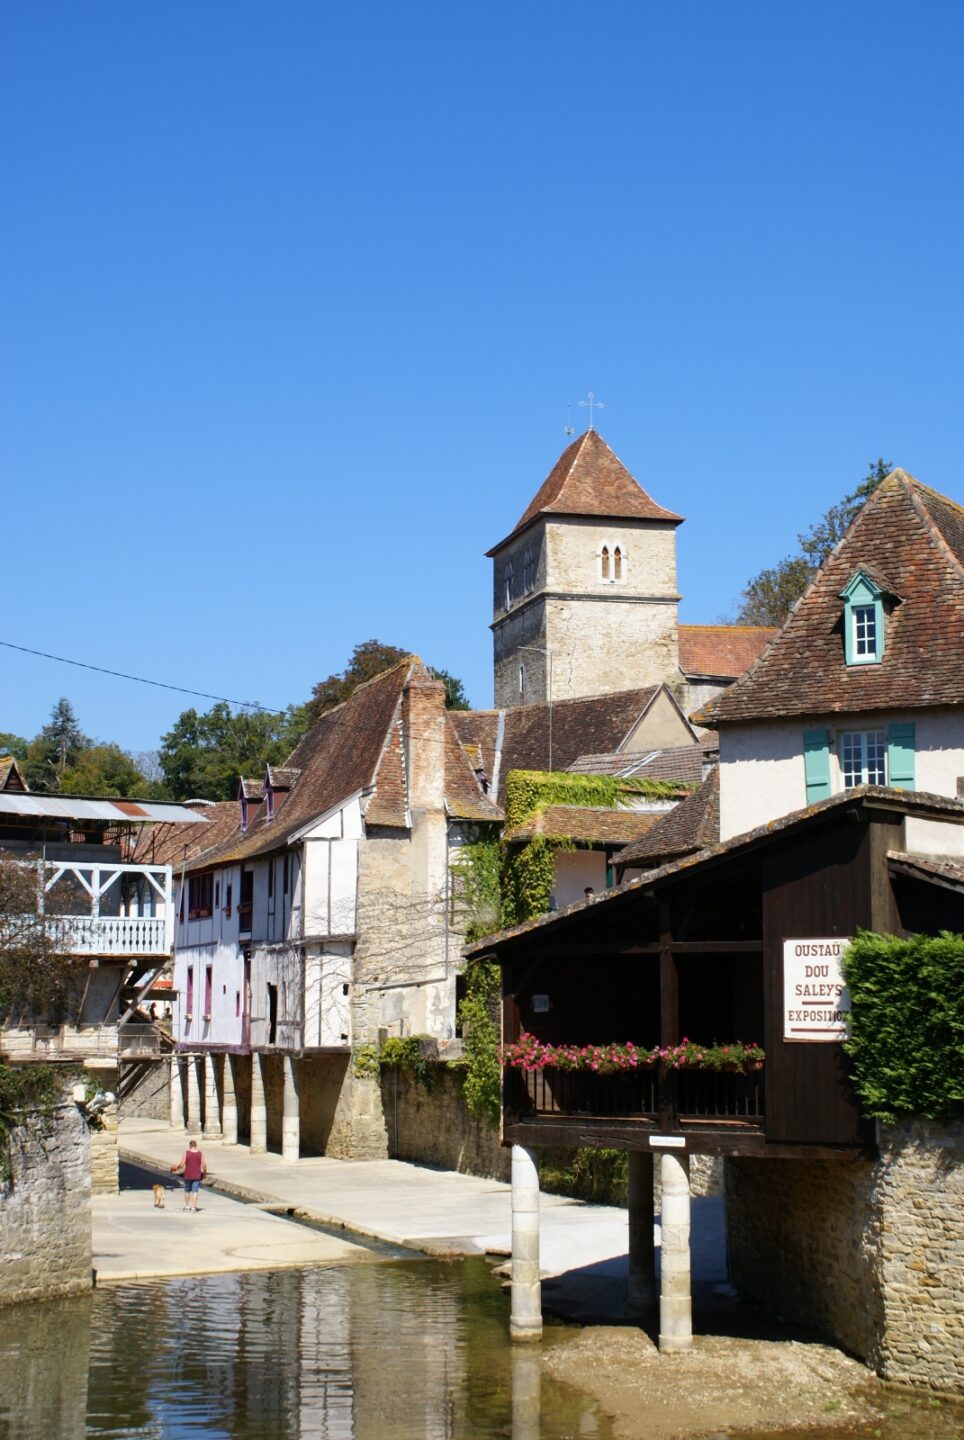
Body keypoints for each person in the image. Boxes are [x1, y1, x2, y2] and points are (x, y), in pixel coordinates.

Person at [171, 1139, 207, 1212]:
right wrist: (204, 1174)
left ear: (190, 1145)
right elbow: (204, 1164)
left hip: (188, 1175)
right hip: (197, 1175)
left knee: (187, 1191)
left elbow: (182, 1164)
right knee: (195, 1191)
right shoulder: (200, 1153)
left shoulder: (186, 1153)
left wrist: (176, 1167)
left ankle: (187, 1206)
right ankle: (193, 1207)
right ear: (196, 1145)